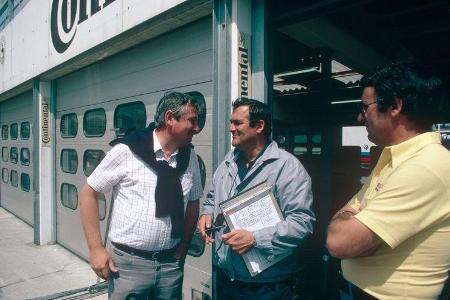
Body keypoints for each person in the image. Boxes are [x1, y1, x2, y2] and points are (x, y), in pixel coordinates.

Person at [326, 62, 450, 299]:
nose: (360, 117)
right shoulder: (397, 159)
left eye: (364, 107)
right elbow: (349, 220)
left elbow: (338, 241)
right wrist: (356, 225)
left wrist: (353, 217)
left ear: (394, 105)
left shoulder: (425, 167)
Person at [79, 92, 203, 300]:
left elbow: (193, 202)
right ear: (170, 118)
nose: (197, 127)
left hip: (170, 264)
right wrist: (95, 249)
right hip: (128, 267)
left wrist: (184, 245)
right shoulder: (127, 151)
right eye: (191, 120)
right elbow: (89, 193)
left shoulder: (189, 157)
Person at [198, 98, 315, 300]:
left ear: (259, 126)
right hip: (226, 280)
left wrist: (255, 239)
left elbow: (302, 223)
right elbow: (211, 199)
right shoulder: (228, 162)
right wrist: (207, 214)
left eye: (237, 123)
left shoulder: (287, 168)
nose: (230, 129)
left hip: (266, 288)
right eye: (230, 122)